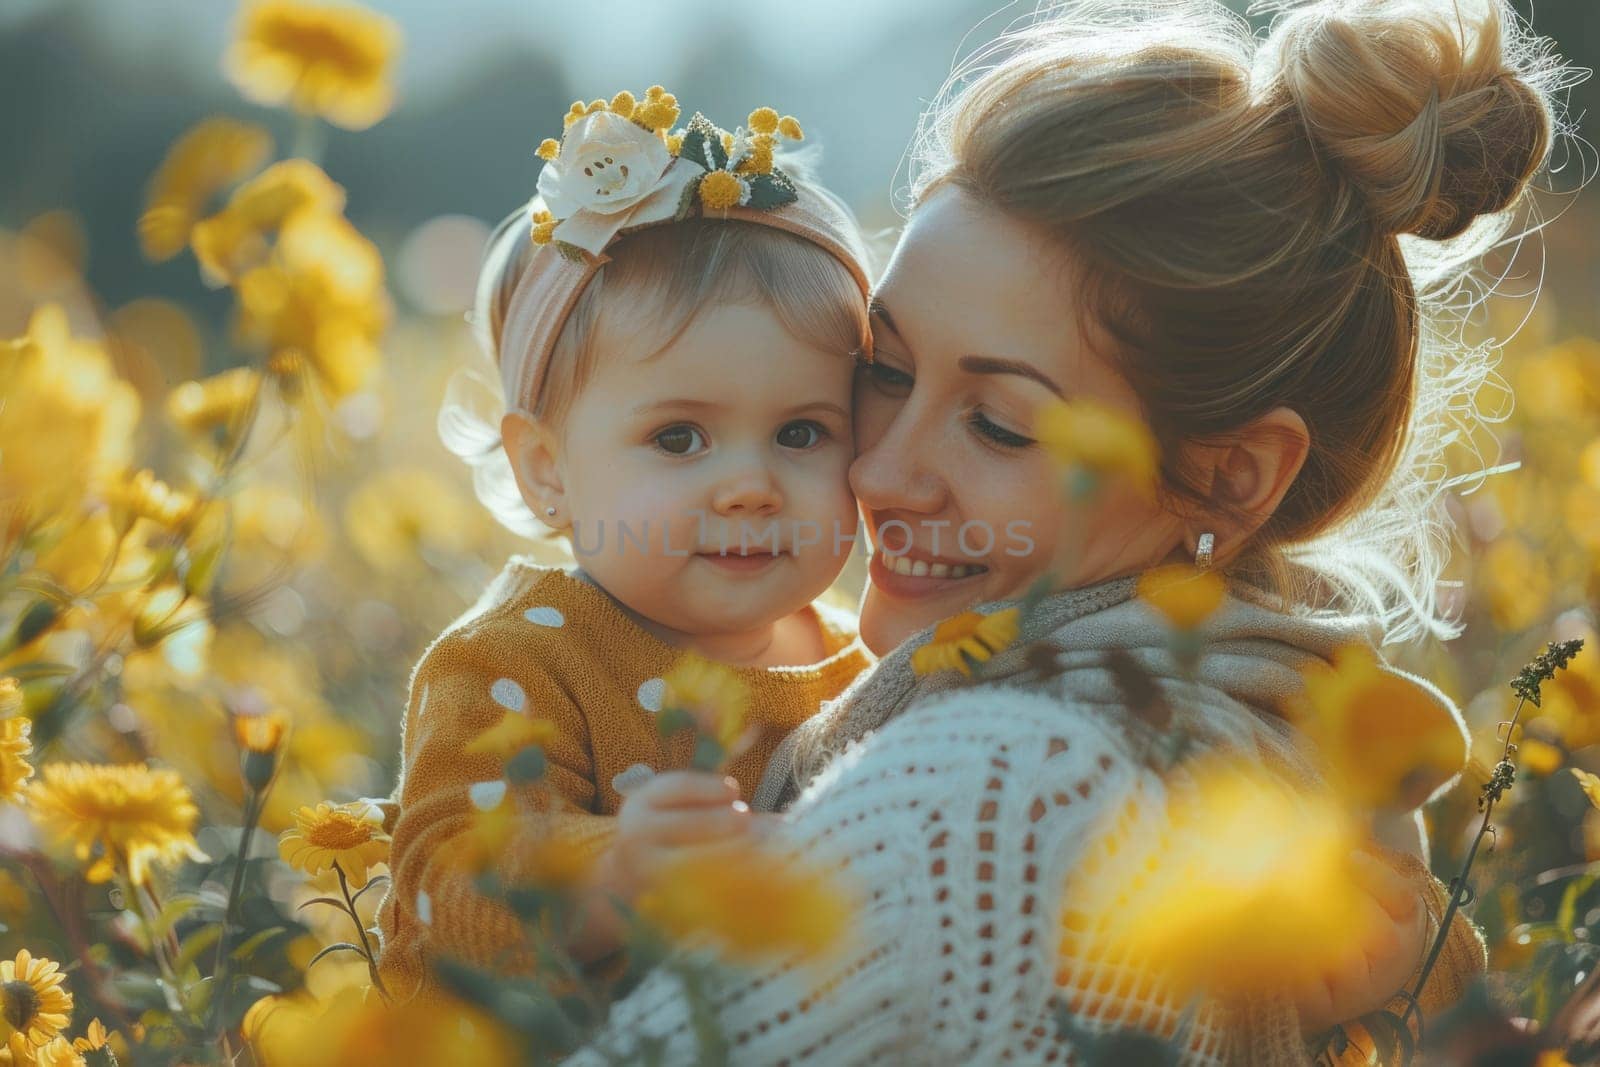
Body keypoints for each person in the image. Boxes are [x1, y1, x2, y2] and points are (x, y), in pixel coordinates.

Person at [569, 0, 1563, 1061]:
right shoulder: (1306, 765)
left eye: (998, 424)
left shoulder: (996, 791)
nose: (878, 469)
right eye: (886, 371)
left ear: (1230, 476)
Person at [374, 90, 878, 999]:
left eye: (802, 433)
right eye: (679, 437)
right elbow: (444, 882)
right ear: (547, 469)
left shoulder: (862, 661)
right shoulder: (515, 659)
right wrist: (621, 873)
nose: (751, 485)